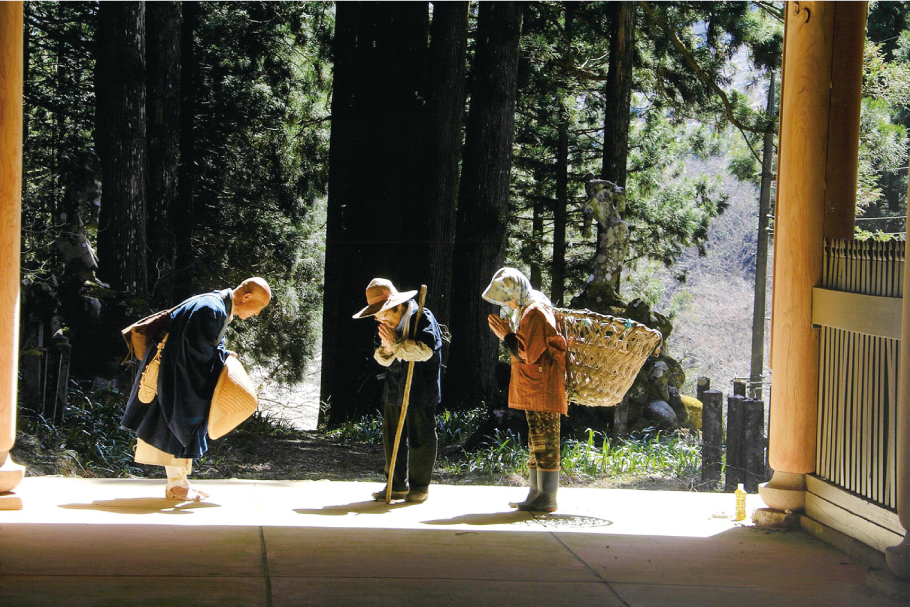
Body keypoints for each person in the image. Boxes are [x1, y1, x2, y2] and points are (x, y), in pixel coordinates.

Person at [121, 277, 271, 502]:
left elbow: (199, 344)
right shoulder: (211, 309)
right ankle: (176, 486)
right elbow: (193, 353)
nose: (257, 314)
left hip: (174, 372)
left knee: (179, 425)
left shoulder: (215, 305)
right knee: (178, 423)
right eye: (258, 307)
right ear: (247, 297)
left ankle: (179, 482)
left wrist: (222, 354)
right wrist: (220, 358)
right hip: (170, 375)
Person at [483, 268, 567, 512]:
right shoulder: (528, 309)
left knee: (546, 440)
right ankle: (536, 493)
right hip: (536, 385)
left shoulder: (535, 311)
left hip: (544, 385)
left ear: (517, 291)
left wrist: (506, 335)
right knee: (536, 440)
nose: (507, 304)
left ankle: (547, 497)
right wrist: (510, 333)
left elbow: (527, 353)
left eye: (507, 298)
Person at [353, 278, 443, 503]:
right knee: (392, 438)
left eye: (383, 313)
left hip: (421, 390)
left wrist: (395, 344)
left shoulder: (422, 317)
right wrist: (386, 347)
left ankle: (419, 487)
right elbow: (381, 359)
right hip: (394, 387)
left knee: (420, 439)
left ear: (399, 306)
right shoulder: (386, 326)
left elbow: (425, 352)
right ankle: (395, 484)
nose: (379, 319)